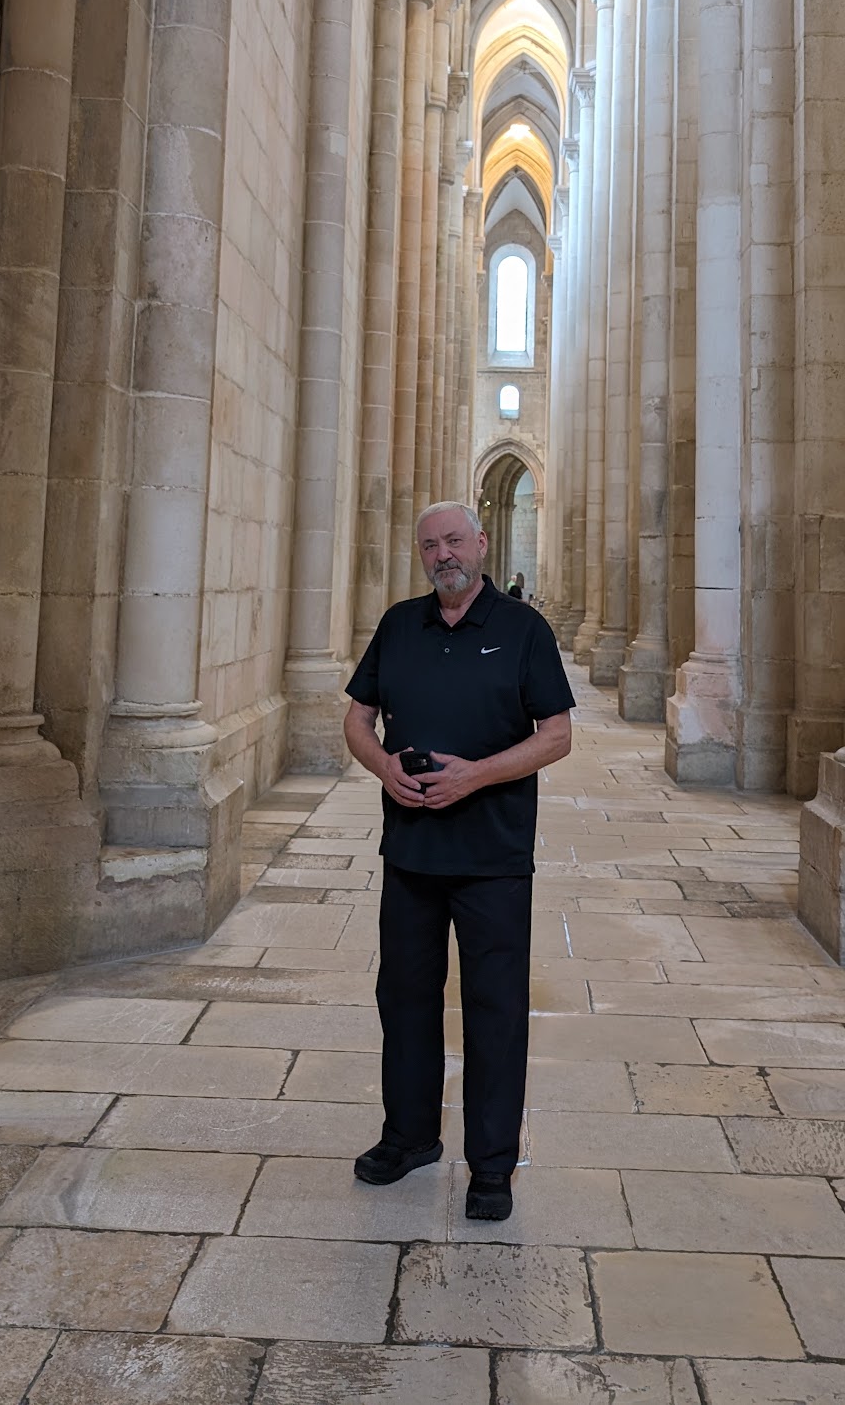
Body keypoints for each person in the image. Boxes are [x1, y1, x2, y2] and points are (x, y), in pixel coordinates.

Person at [343, 501, 574, 1221]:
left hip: (493, 855)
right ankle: (409, 1137)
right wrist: (383, 766)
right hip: (411, 851)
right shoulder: (398, 625)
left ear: (481, 543)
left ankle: (492, 1166)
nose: (443, 555)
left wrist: (475, 776)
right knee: (405, 999)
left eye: (453, 541)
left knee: (494, 1009)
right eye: (429, 546)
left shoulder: (523, 629)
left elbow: (557, 734)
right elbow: (357, 718)